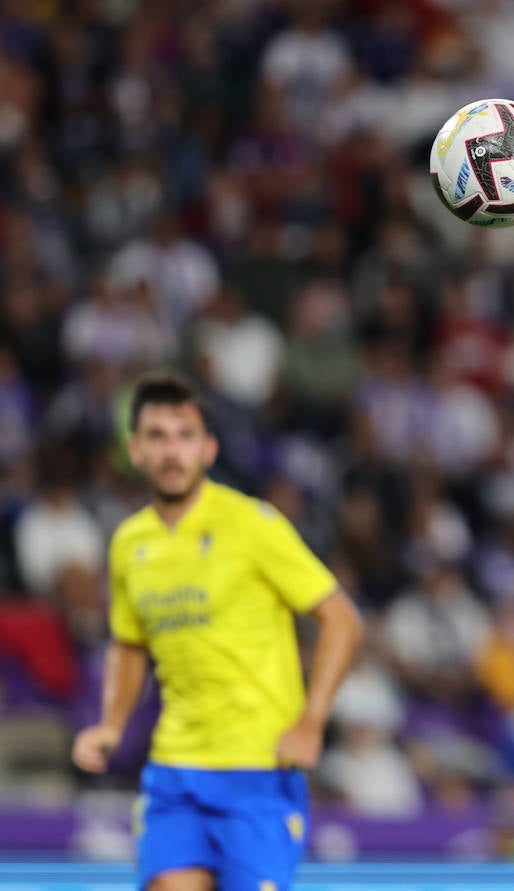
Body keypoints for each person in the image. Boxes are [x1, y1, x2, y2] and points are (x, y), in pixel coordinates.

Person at [72, 372, 364, 891]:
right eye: (157, 437)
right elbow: (128, 642)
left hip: (258, 768)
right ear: (134, 450)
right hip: (175, 768)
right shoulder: (128, 543)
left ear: (208, 449)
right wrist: (112, 726)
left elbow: (341, 620)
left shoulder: (253, 524)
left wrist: (312, 721)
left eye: (185, 435)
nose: (172, 450)